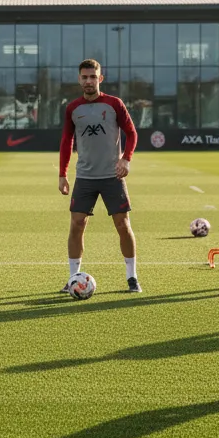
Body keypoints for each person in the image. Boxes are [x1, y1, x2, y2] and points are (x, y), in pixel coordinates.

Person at [58, 59, 140, 294]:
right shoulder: (73, 108)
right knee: (76, 225)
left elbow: (132, 133)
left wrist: (126, 159)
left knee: (123, 225)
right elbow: (66, 142)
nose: (88, 81)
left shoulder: (114, 104)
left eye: (93, 77)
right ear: (79, 79)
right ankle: (74, 278)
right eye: (84, 77)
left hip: (112, 176)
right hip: (84, 177)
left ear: (100, 79)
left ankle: (132, 277)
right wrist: (62, 174)